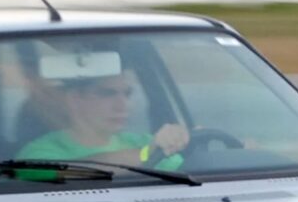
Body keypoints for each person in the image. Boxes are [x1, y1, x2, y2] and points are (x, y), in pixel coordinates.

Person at [17, 70, 190, 170]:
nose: (122, 105)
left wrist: (182, 138)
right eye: (107, 94)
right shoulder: (37, 153)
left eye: (127, 94)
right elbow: (73, 172)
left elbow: (187, 170)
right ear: (75, 99)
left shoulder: (142, 141)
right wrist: (147, 153)